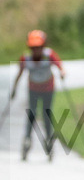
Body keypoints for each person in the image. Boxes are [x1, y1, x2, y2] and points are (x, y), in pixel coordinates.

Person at [10, 29, 65, 161]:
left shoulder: (49, 55)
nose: (36, 50)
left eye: (39, 47)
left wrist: (62, 73)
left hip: (48, 90)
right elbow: (19, 74)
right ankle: (27, 141)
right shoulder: (26, 58)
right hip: (33, 90)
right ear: (30, 48)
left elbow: (59, 65)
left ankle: (49, 142)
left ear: (43, 46)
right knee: (32, 114)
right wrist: (14, 89)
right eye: (34, 48)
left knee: (47, 115)